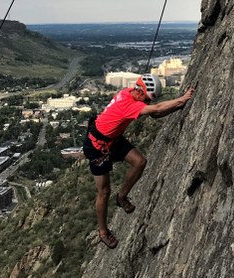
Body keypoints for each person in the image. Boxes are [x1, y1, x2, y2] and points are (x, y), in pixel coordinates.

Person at [83, 73, 194, 249]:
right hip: (97, 146)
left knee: (140, 162)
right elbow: (156, 110)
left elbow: (155, 114)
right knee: (104, 191)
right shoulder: (128, 105)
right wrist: (181, 99)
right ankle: (103, 232)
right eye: (147, 99)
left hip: (112, 139)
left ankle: (121, 197)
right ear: (141, 90)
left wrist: (176, 106)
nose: (147, 103)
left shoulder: (130, 92)